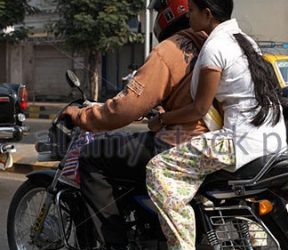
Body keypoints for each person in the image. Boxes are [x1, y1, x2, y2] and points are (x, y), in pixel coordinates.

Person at [62, 0, 214, 249]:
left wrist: (82, 117)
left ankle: (114, 243)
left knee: (93, 155)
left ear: (167, 12)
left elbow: (126, 107)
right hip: (216, 142)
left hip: (180, 143)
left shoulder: (170, 50)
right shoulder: (214, 44)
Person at [145, 0, 288, 249]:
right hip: (271, 138)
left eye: (191, 11)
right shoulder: (244, 40)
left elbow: (199, 108)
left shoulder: (215, 47)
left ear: (207, 13)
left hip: (239, 142)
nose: (188, 16)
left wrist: (161, 120)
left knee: (158, 170)